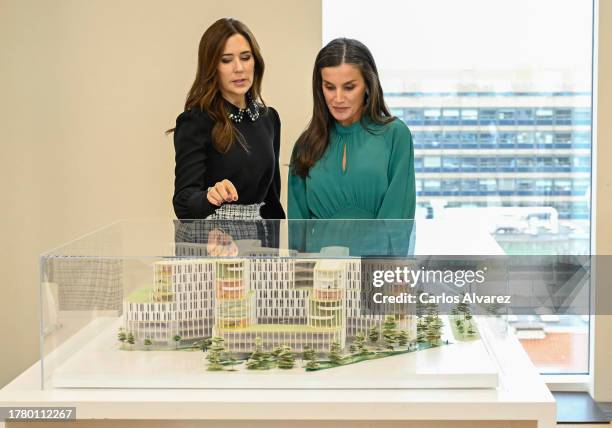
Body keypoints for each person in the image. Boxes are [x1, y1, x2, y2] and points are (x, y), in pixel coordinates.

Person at [170, 18, 285, 221]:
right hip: (213, 241)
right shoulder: (195, 121)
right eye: (226, 60)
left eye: (246, 57)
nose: (239, 68)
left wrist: (282, 249)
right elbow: (183, 202)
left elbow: (272, 201)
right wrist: (210, 196)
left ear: (255, 62)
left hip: (259, 241)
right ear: (212, 67)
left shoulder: (269, 118)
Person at [288, 38, 415, 220]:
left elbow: (399, 219)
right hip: (317, 249)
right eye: (330, 87)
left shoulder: (395, 135)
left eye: (349, 87)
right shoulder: (306, 145)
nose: (338, 98)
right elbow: (297, 230)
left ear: (368, 86)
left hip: (376, 249)